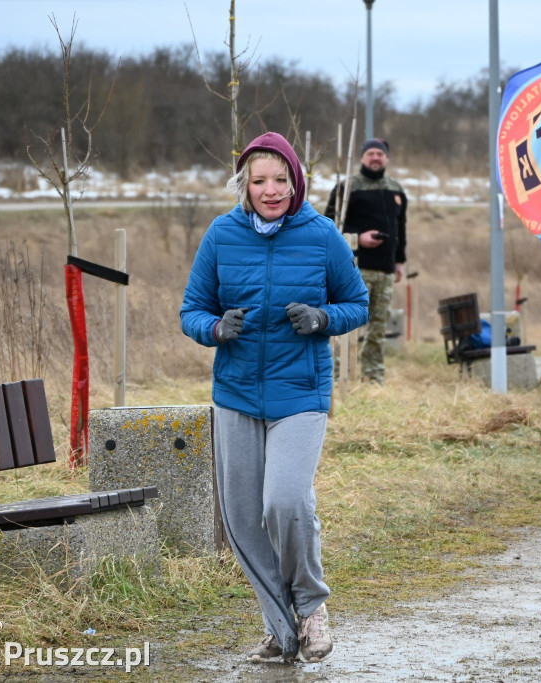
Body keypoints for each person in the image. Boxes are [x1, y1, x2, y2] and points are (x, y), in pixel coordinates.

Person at [180, 132, 369, 664]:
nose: (271, 190)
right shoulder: (222, 235)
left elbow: (358, 302)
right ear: (244, 185)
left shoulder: (321, 234)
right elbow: (191, 310)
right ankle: (281, 630)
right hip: (236, 394)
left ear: (296, 182)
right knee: (243, 520)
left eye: (281, 180)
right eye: (260, 181)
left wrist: (323, 318)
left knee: (284, 501)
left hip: (300, 392)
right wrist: (216, 328)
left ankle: (311, 608)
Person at [325, 138, 407, 385]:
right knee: (348, 323)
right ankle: (338, 375)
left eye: (380, 154)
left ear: (386, 158)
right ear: (362, 157)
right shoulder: (347, 188)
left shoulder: (396, 190)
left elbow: (401, 229)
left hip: (386, 270)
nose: (375, 158)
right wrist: (358, 238)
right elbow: (329, 226)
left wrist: (399, 261)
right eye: (370, 153)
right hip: (355, 268)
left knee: (378, 326)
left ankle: (373, 375)